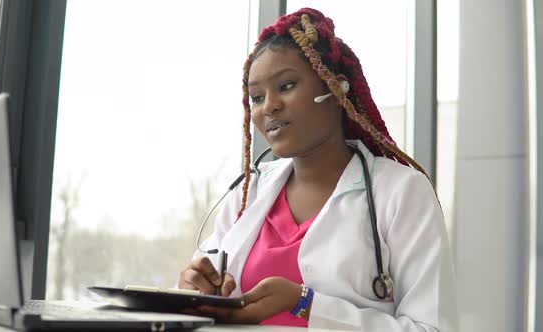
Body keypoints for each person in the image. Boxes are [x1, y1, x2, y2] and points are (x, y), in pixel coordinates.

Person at [177, 7, 458, 331]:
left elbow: (432, 328)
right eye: (256, 97)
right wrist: (194, 289)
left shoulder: (400, 191)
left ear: (336, 90)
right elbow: (204, 288)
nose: (268, 106)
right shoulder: (248, 194)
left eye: (286, 86)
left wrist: (305, 304)